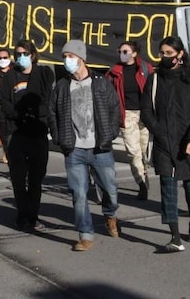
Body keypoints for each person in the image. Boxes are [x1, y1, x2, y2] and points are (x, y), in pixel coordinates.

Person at [140, 36, 190, 253]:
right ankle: (175, 236)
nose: (164, 57)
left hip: (189, 141)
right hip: (163, 141)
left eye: (169, 53)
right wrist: (158, 131)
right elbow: (146, 111)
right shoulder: (154, 79)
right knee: (168, 188)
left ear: (180, 55)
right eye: (162, 53)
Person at [50, 40, 121, 251]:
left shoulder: (100, 82)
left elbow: (114, 108)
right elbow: (52, 113)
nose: (67, 60)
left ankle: (110, 214)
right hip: (74, 150)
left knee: (110, 189)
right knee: (79, 194)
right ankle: (85, 234)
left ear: (81, 58)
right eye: (64, 57)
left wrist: (110, 133)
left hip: (100, 147)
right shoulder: (62, 86)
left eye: (70, 56)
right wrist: (58, 137)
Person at [0, 39, 55, 231]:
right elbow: (4, 101)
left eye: (24, 54)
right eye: (18, 54)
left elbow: (47, 99)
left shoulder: (43, 74)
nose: (21, 57)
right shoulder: (10, 77)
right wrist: (17, 114)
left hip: (38, 132)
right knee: (18, 176)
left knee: (36, 177)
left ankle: (33, 215)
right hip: (16, 133)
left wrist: (36, 114)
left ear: (32, 55)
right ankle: (22, 214)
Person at [106, 41, 154, 200]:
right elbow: (107, 93)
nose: (122, 53)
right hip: (127, 115)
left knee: (144, 152)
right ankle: (141, 183)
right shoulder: (114, 72)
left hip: (145, 114)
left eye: (125, 51)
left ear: (134, 53)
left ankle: (144, 174)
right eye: (120, 51)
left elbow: (154, 90)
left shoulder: (146, 69)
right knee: (133, 153)